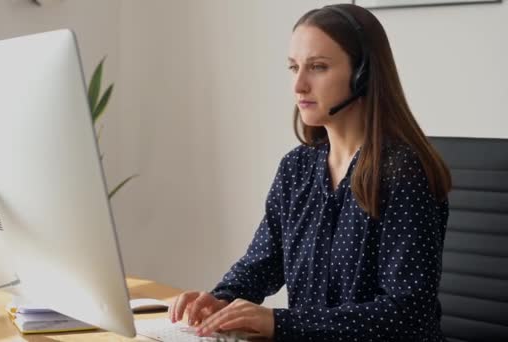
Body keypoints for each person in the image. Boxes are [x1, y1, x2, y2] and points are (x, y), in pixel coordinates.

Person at [169, 3, 452, 341]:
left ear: (362, 75)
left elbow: (407, 313)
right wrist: (220, 300)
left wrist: (279, 323)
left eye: (317, 67)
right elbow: (263, 262)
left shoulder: (403, 173)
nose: (299, 85)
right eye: (293, 67)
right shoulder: (297, 168)